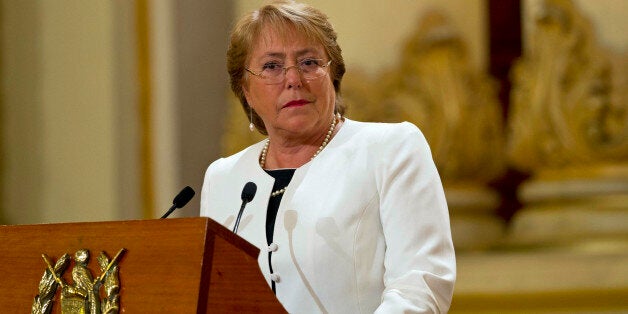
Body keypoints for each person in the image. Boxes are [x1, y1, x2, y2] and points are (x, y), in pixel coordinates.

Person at [200, 1, 456, 313]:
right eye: (271, 66)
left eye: (308, 62)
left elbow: (421, 286)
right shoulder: (223, 178)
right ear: (246, 89)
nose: (293, 79)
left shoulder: (391, 149)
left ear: (332, 73)